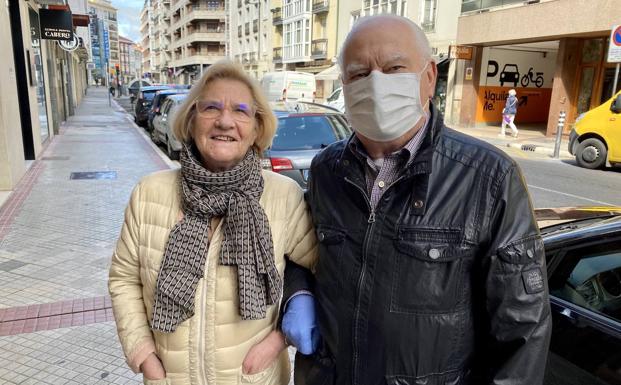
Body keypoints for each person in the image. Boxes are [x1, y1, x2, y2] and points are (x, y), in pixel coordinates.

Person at [285, 15, 552, 385]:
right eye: (359, 74)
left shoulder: (488, 177)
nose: (376, 84)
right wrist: (297, 293)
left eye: (394, 68)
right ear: (343, 87)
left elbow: (522, 329)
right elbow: (297, 252)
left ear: (429, 78)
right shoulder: (326, 170)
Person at [108, 60, 318, 385]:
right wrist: (144, 355)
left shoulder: (283, 196)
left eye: (241, 111)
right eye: (211, 108)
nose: (224, 121)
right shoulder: (148, 193)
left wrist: (280, 339)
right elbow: (123, 279)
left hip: (253, 377)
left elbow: (327, 270)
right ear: (191, 120)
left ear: (257, 129)